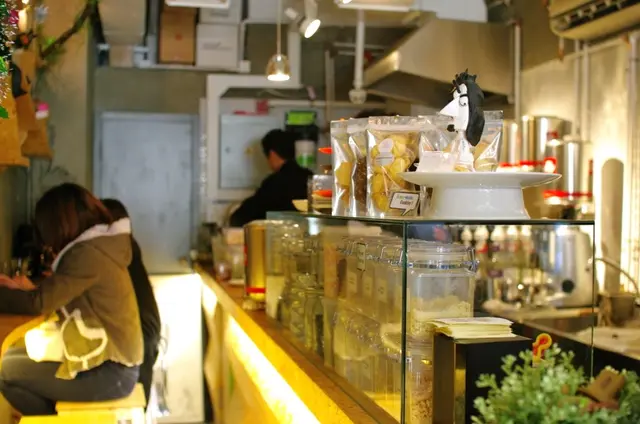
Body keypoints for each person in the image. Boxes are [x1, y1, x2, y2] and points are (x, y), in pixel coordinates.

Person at [0, 183, 143, 416]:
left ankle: (54, 420)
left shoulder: (87, 254)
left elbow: (40, 303)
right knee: (10, 358)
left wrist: (23, 294)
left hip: (112, 372)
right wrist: (25, 290)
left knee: (5, 370)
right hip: (116, 363)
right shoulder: (97, 247)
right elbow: (58, 292)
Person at [101, 198, 161, 409]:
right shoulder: (127, 247)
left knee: (132, 406)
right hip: (145, 331)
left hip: (140, 334)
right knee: (135, 405)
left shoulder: (119, 251)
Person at [230, 129, 312, 227]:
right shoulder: (310, 178)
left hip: (281, 235)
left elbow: (243, 215)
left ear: (272, 154)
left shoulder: (274, 183)